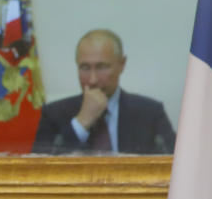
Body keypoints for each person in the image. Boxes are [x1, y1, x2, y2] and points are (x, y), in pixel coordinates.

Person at [32, 29, 176, 155]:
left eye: (101, 67)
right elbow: (39, 171)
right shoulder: (54, 114)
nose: (93, 80)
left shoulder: (150, 113)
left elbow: (177, 167)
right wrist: (81, 123)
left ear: (122, 64)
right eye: (85, 68)